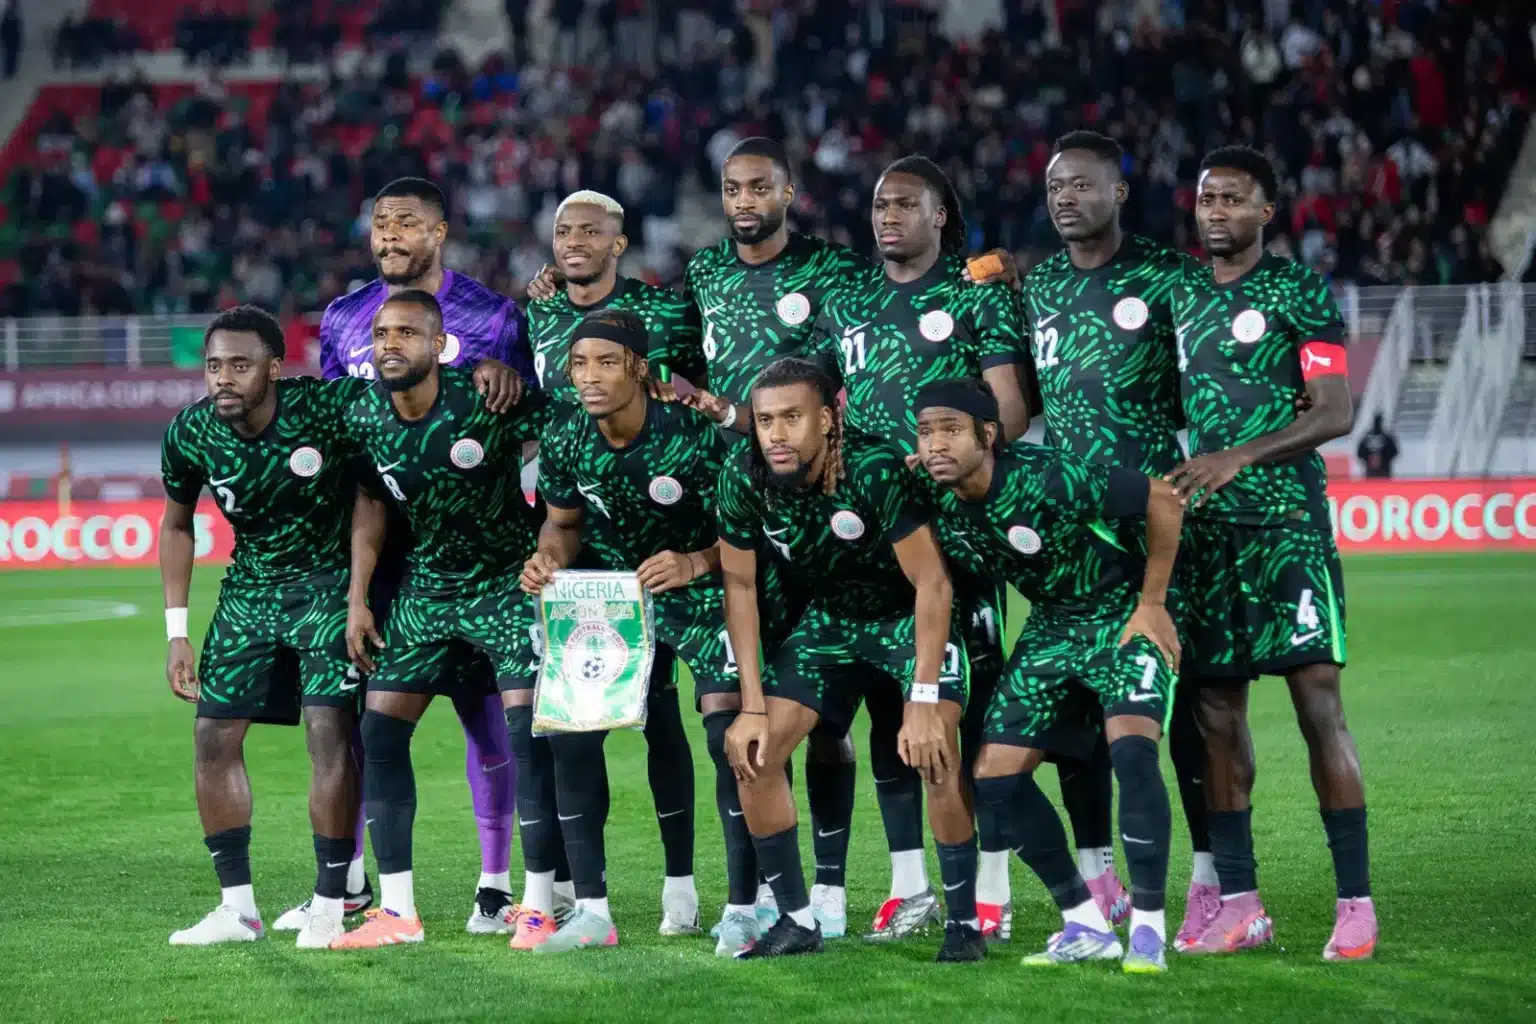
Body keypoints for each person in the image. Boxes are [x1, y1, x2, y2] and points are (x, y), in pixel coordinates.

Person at [297, 176, 542, 938]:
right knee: (351, 719)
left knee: (491, 720)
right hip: (381, 550)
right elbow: (349, 434)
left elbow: (524, 427)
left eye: (406, 224)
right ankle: (350, 889)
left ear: (439, 232)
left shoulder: (495, 316)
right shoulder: (343, 318)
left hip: (477, 549)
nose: (390, 237)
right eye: (379, 225)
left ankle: (499, 885)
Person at [808, 154, 1031, 942]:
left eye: (907, 203)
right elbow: (818, 395)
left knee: (971, 717)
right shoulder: (849, 297)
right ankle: (910, 889)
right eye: (879, 204)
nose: (888, 215)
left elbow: (1008, 406)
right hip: (873, 536)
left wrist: (949, 459)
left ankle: (991, 890)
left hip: (958, 533)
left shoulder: (976, 293)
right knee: (888, 713)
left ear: (941, 214)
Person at [1167, 146, 1374, 961]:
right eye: (1206, 197)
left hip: (1286, 525)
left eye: (1233, 199)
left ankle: (1355, 903)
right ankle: (1242, 904)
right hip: (1206, 535)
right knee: (1216, 717)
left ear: (1267, 211)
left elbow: (1334, 410)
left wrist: (1238, 455)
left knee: (1318, 707)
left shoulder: (1297, 289)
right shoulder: (1178, 292)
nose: (1216, 211)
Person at [716, 357, 985, 964]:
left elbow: (933, 585)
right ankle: (795, 919)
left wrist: (920, 702)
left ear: (829, 418)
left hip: (904, 619)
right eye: (764, 420)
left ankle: (965, 924)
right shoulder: (743, 472)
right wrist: (752, 706)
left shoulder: (873, 468)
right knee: (753, 756)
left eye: (792, 417)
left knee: (936, 750)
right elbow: (739, 587)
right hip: (831, 624)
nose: (776, 434)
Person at [915, 378, 1184, 973]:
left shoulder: (1048, 475)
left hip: (1120, 613)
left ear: (989, 435)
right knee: (994, 780)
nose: (936, 444)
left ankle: (1147, 929)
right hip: (1054, 627)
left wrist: (1154, 602)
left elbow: (1164, 497)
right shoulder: (935, 497)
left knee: (1133, 753)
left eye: (951, 431)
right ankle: (1084, 923)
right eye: (927, 432)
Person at [1020, 130, 1214, 945]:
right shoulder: (1037, 288)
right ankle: (1098, 876)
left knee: (1191, 710)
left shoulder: (1169, 278)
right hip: (1073, 537)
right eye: (1057, 185)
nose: (1067, 197)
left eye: (1084, 184)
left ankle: (1210, 879)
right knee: (1082, 717)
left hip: (1160, 522)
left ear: (1118, 192)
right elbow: (1024, 400)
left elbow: (1206, 389)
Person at [520, 310, 760, 954]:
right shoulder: (567, 435)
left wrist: (694, 563)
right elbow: (563, 524)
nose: (589, 378)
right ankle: (592, 913)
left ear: (637, 368)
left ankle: (739, 906)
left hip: (703, 594)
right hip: (608, 599)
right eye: (578, 365)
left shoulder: (691, 434)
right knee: (572, 735)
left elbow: (748, 524)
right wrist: (549, 559)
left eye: (604, 362)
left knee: (726, 736)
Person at [160, 306, 364, 949]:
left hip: (328, 587)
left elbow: (378, 482)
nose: (223, 378)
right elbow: (175, 524)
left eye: (240, 366)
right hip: (248, 591)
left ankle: (333, 902)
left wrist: (361, 593)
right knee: (212, 739)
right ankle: (237, 909)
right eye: (214, 365)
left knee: (329, 730)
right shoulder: (191, 431)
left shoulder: (325, 411)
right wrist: (176, 631)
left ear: (275, 367)